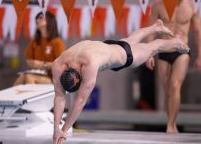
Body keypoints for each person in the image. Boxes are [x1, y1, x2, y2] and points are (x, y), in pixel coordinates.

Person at [52, 19, 189, 144]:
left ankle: (175, 42)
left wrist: (63, 130)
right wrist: (55, 129)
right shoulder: (59, 63)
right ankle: (155, 27)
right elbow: (59, 96)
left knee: (153, 47)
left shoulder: (89, 65)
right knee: (130, 40)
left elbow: (80, 101)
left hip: (124, 56)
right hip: (108, 46)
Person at [145, 0, 201, 133]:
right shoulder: (158, 5)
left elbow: (198, 32)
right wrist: (149, 54)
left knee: (175, 86)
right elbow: (150, 30)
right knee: (167, 90)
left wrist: (200, 56)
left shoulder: (190, 6)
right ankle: (170, 120)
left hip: (182, 51)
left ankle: (171, 125)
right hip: (163, 51)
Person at [13, 11, 65, 85]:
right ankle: (13, 96)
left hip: (53, 78)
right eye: (37, 18)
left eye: (40, 18)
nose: (37, 20)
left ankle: (30, 96)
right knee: (22, 76)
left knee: (28, 77)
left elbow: (61, 64)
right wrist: (32, 63)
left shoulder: (57, 42)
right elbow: (28, 60)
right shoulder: (35, 41)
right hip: (38, 74)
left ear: (49, 20)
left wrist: (42, 65)